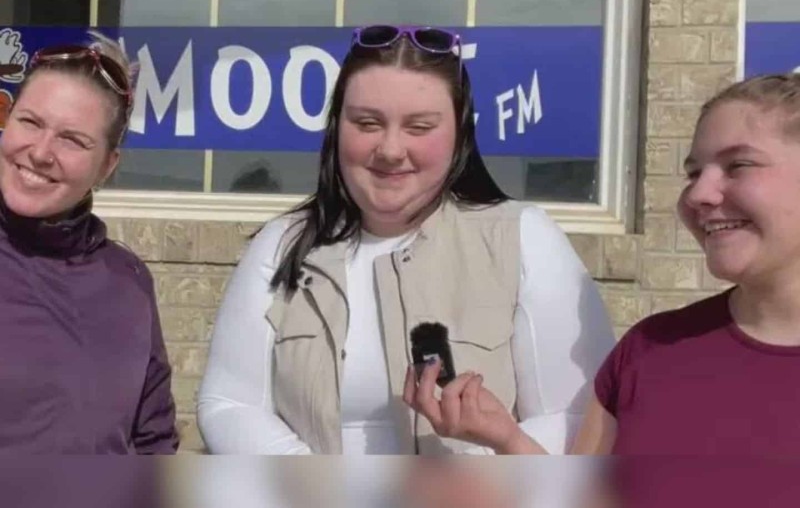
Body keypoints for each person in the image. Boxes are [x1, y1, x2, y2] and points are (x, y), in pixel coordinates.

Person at [197, 24, 615, 455]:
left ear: (460, 136)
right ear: (337, 127)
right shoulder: (283, 245)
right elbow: (230, 404)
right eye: (367, 123)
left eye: (419, 127)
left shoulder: (523, 239)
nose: (391, 149)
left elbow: (578, 416)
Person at [405, 73, 800, 456]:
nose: (699, 193)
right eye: (693, 172)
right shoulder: (649, 352)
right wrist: (506, 439)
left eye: (739, 166)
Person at [0, 31, 179, 454]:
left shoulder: (128, 280)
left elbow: (154, 438)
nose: (41, 152)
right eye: (30, 122)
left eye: (73, 140)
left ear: (107, 165)